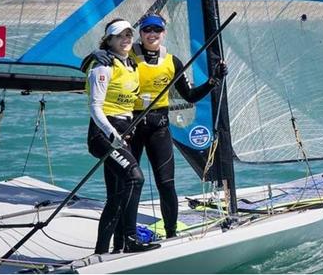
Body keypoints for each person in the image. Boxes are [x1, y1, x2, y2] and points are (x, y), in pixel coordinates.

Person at [86, 13, 227, 246]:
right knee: (124, 185)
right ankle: (120, 242)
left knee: (166, 183)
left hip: (158, 127)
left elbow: (189, 96)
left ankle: (171, 234)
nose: (152, 34)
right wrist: (94, 54)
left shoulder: (172, 62)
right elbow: (100, 65)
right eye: (147, 30)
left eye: (157, 30)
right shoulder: (127, 55)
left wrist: (213, 81)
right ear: (140, 33)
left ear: (164, 33)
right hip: (128, 126)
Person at [85, 18, 160, 254]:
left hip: (123, 131)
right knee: (135, 178)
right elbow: (95, 107)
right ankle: (129, 238)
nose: (126, 39)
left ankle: (103, 251)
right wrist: (112, 133)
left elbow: (154, 45)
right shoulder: (103, 65)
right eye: (120, 36)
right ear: (109, 40)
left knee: (117, 195)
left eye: (129, 35)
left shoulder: (131, 64)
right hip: (103, 134)